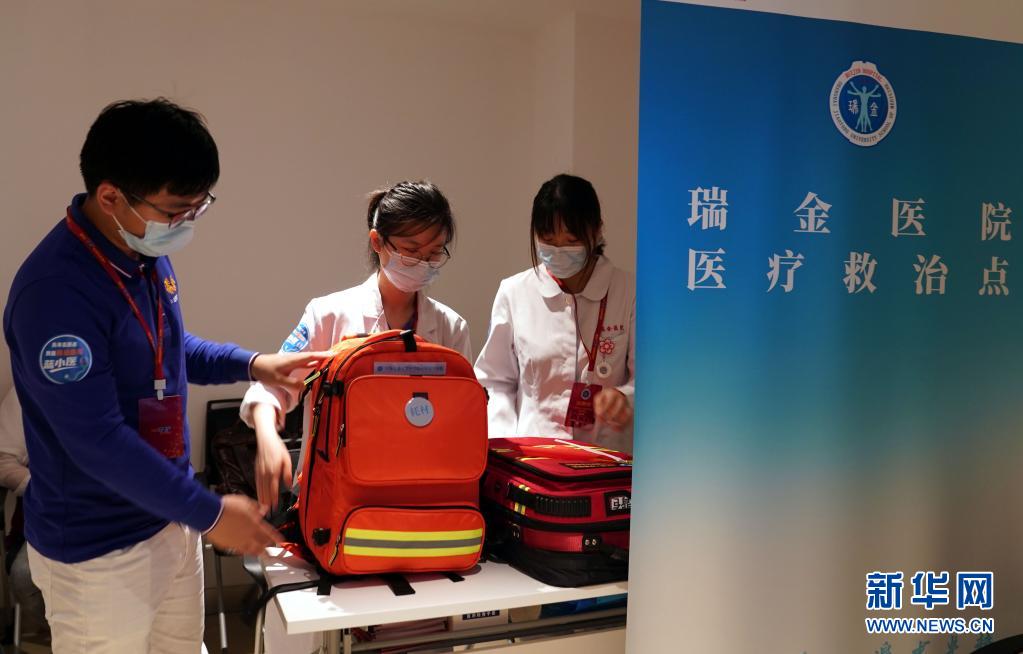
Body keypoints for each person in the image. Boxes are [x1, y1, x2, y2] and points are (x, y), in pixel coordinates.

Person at [2, 98, 324, 653]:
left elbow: (169, 350)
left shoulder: (140, 252)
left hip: (170, 520)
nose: (185, 224)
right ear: (110, 196)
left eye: (198, 208)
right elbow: (96, 440)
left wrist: (252, 363)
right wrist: (212, 513)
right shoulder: (54, 293)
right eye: (176, 211)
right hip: (98, 552)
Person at [240, 180, 469, 654]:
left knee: (417, 636)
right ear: (377, 243)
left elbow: (462, 426)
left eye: (435, 253)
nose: (423, 264)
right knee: (327, 635)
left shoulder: (450, 328)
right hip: (337, 511)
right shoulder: (330, 315)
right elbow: (269, 387)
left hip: (426, 515)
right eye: (410, 250)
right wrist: (268, 436)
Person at [475, 173, 636, 453]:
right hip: (533, 456)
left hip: (606, 456)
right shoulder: (514, 292)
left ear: (597, 231)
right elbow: (494, 381)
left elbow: (651, 378)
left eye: (571, 240)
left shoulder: (630, 291)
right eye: (548, 240)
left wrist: (624, 398)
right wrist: (504, 443)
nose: (560, 251)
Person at [0, 387, 49, 645]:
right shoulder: (31, 385)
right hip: (48, 515)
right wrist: (46, 489)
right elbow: (3, 461)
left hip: (124, 518)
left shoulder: (138, 384)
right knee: (23, 575)